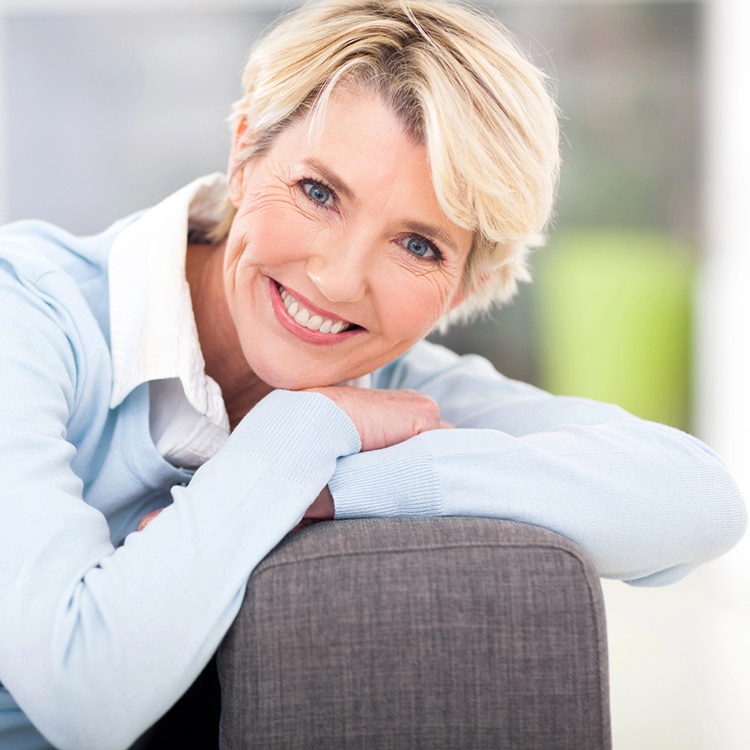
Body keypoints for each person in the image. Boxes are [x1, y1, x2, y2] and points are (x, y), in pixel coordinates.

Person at [0, 0, 745, 747]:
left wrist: (331, 485)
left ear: (465, 286)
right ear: (242, 153)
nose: (340, 279)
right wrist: (299, 433)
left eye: (419, 245)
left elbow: (696, 498)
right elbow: (80, 697)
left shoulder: (389, 393)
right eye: (319, 193)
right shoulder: (27, 310)